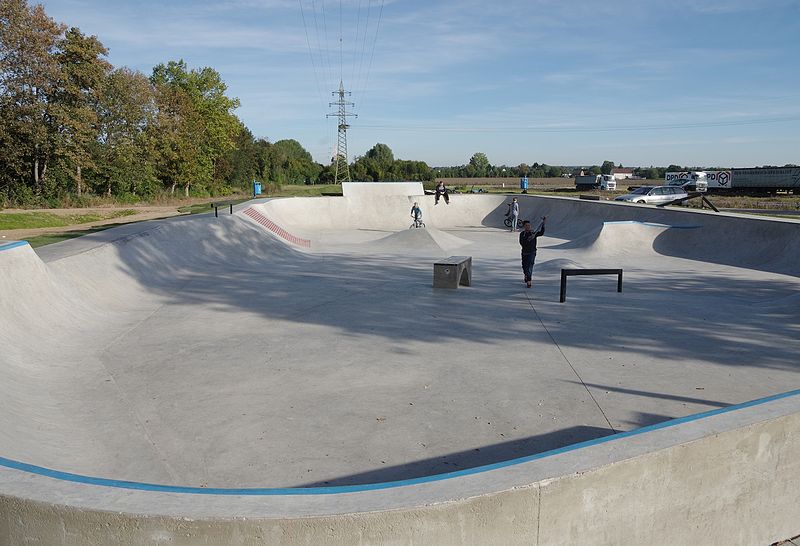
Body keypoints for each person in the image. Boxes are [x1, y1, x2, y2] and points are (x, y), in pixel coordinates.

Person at [519, 217, 546, 288]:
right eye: (526, 226)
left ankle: (529, 281)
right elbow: (522, 243)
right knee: (524, 267)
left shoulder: (533, 233)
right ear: (524, 226)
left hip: (532, 252)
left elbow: (541, 233)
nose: (528, 227)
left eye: (529, 225)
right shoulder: (522, 234)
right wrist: (528, 239)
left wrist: (543, 225)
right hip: (525, 253)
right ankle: (526, 275)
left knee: (530, 266)